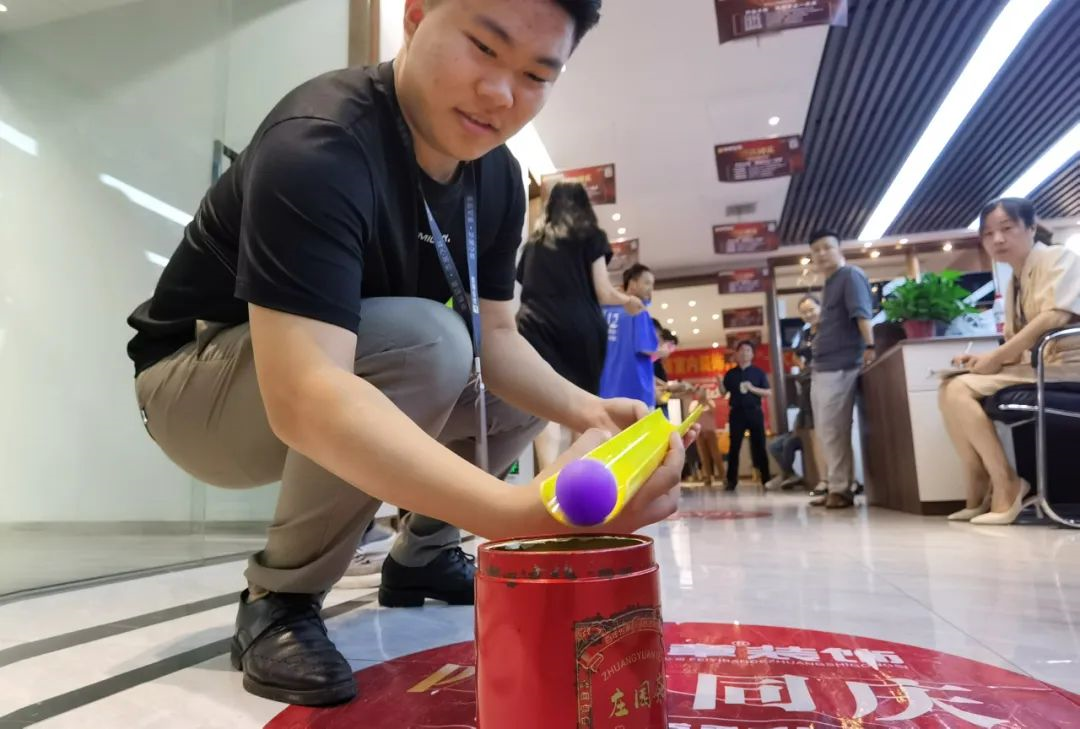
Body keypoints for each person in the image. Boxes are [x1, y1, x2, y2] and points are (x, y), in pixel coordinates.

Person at [124, 0, 693, 707]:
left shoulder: (495, 176)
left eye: (536, 75)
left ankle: (423, 554)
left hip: (329, 367)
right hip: (192, 387)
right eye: (484, 47)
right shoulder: (321, 142)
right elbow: (305, 394)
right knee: (430, 340)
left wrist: (591, 411)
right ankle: (281, 597)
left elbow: (499, 339)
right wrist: (513, 514)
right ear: (417, 16)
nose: (500, 93)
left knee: (505, 376)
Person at [940, 197, 1080, 525]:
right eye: (988, 234)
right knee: (948, 386)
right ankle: (979, 482)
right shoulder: (1013, 281)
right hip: (1044, 366)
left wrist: (997, 357)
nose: (998, 239)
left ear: (1031, 228)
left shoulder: (1058, 257)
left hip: (1070, 366)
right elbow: (1019, 345)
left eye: (1007, 228)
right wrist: (982, 359)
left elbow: (1054, 318)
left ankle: (1005, 483)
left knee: (960, 390)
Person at [517, 181, 644, 468]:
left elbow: (526, 284)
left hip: (533, 326)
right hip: (579, 326)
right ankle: (577, 474)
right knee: (584, 404)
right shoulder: (590, 235)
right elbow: (603, 291)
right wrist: (627, 301)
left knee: (543, 404)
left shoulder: (534, 243)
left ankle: (548, 474)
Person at [807, 229, 874, 509]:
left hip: (841, 365)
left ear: (839, 249)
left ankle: (841, 489)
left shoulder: (850, 275)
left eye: (827, 247)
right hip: (824, 366)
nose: (822, 253)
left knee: (834, 429)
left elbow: (861, 313)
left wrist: (870, 346)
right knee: (827, 431)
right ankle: (838, 484)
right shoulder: (830, 282)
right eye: (816, 250)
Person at [766, 294, 821, 491]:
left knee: (820, 436)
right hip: (806, 392)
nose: (808, 314)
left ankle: (824, 480)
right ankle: (800, 477)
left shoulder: (828, 331)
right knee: (781, 443)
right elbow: (796, 356)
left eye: (811, 310)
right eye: (804, 312)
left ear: (820, 308)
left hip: (824, 385)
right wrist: (804, 367)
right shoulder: (804, 334)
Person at [598, 264, 660, 407]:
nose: (651, 288)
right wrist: (662, 351)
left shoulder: (603, 311)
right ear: (632, 284)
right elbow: (647, 348)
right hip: (636, 393)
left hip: (605, 392)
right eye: (647, 283)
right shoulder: (638, 310)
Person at [719, 340, 772, 490]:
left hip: (754, 411)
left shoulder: (758, 372)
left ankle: (766, 479)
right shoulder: (731, 374)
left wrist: (752, 388)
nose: (744, 353)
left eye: (748, 350)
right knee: (734, 447)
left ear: (752, 354)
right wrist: (719, 383)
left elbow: (768, 392)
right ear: (736, 354)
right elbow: (724, 393)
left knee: (759, 445)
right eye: (741, 350)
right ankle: (731, 481)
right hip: (737, 413)